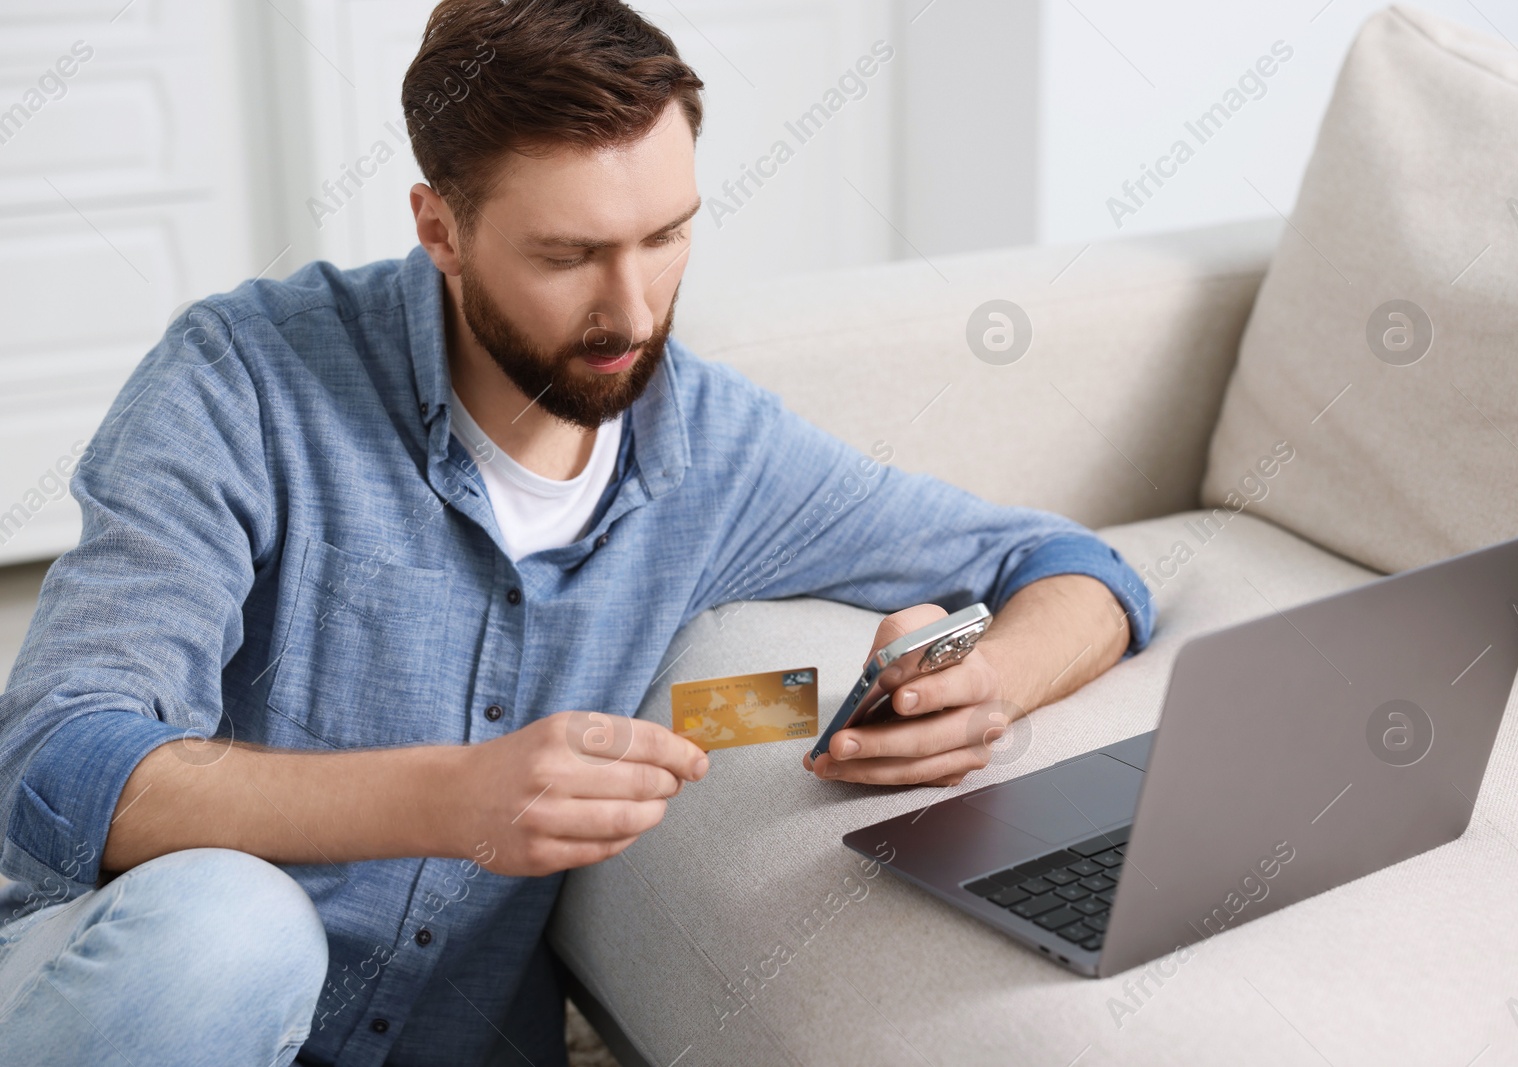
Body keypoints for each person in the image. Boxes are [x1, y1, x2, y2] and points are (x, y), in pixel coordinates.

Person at [0, 1, 1153, 1064]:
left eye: (667, 236)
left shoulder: (719, 449)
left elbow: (1071, 566)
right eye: (569, 256)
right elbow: (56, 759)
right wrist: (453, 796)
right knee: (234, 925)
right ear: (440, 229)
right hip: (128, 997)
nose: (637, 310)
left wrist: (983, 681)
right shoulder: (244, 378)